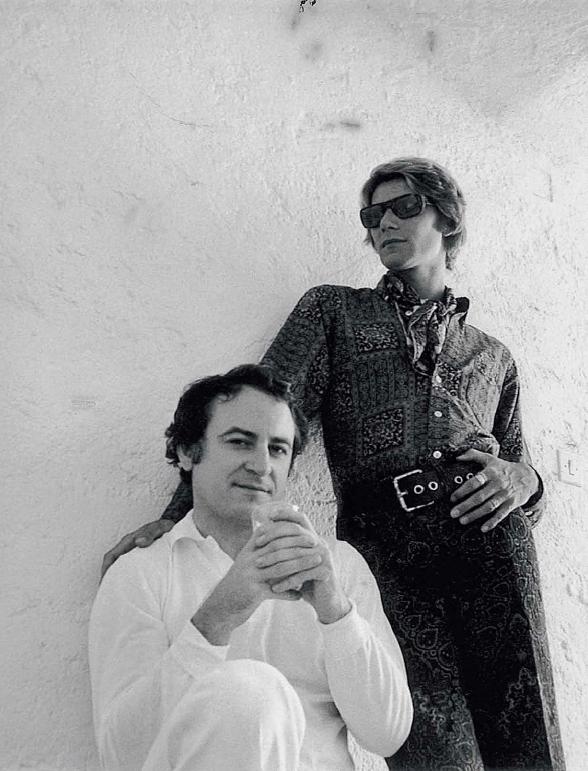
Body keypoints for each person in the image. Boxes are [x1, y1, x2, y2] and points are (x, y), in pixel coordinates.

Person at [101, 159, 565, 770]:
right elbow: (266, 415)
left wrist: (526, 479)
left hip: (492, 536)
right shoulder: (333, 311)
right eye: (372, 215)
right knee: (429, 745)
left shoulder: (493, 356)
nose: (384, 224)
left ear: (447, 218)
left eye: (404, 207)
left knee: (528, 731)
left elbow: (522, 472)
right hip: (387, 542)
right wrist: (176, 516)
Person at [89, 364, 413, 771]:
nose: (261, 466)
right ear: (188, 451)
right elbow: (121, 757)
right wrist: (218, 616)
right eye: (240, 442)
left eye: (277, 449)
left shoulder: (339, 567)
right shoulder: (140, 573)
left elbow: (387, 735)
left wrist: (336, 612)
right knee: (251, 690)